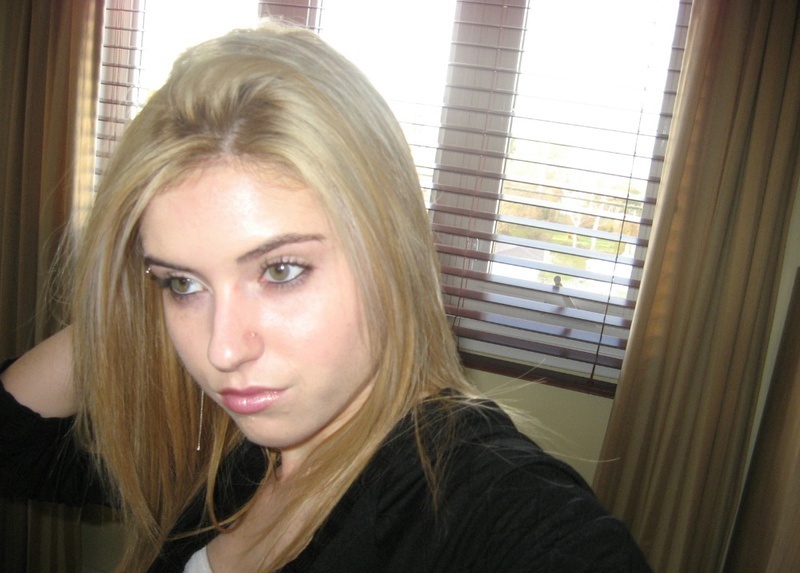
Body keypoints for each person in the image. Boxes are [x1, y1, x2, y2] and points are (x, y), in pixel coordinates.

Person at [0, 22, 651, 573]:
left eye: (282, 270)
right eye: (182, 283)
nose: (222, 351)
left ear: (391, 254)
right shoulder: (223, 449)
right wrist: (129, 303)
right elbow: (14, 441)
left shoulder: (485, 505)